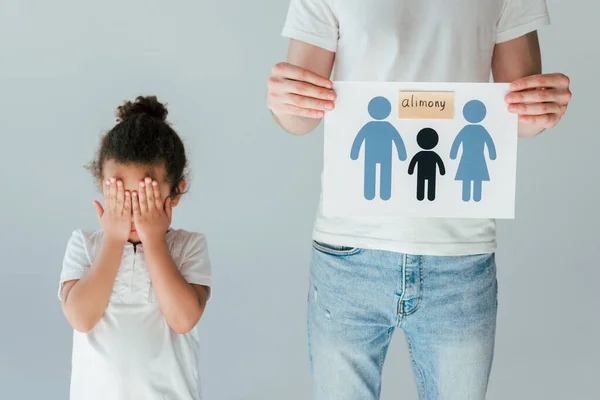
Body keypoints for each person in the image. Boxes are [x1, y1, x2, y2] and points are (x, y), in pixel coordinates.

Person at [266, 0, 572, 399]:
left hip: (458, 255)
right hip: (349, 253)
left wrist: (542, 105)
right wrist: (285, 99)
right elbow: (300, 116)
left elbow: (517, 110)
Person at [58, 96, 212, 400]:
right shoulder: (84, 245)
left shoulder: (188, 247)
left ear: (176, 192)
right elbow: (80, 317)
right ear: (103, 186)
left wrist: (154, 241)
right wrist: (113, 241)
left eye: (144, 196)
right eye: (119, 195)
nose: (131, 210)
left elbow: (183, 320)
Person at [350, 96, 407, 201]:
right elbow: (397, 140)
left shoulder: (374, 126)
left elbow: (359, 139)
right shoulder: (385, 126)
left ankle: (376, 194)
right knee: (376, 172)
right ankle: (376, 194)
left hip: (376, 155)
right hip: (381, 155)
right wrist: (402, 155)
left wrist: (354, 154)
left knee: (378, 172)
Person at [450, 100, 497, 202]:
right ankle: (469, 197)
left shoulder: (470, 129)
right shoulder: (476, 129)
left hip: (470, 157)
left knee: (473, 177)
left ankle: (473, 198)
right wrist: (492, 155)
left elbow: (457, 142)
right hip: (475, 158)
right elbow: (489, 143)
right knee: (473, 177)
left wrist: (453, 154)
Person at [408, 127, 446, 201]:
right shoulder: (433, 155)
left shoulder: (420, 154)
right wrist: (442, 171)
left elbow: (413, 162)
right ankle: (428, 196)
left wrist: (411, 171)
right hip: (430, 173)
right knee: (429, 183)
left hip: (422, 172)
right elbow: (439, 163)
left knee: (423, 184)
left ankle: (422, 196)